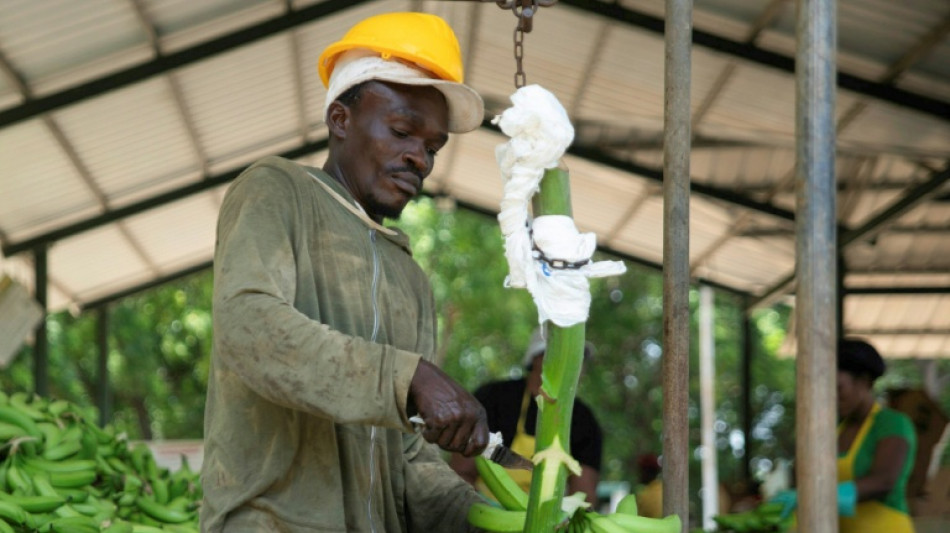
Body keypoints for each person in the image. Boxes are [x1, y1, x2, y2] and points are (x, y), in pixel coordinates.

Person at [200, 11, 495, 532]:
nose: (420, 160)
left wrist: (491, 519)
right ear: (340, 119)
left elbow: (408, 459)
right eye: (403, 131)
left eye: (431, 148)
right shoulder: (276, 189)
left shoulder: (410, 279)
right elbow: (250, 327)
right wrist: (408, 377)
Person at [772, 338, 918, 533]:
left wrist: (815, 497)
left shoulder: (892, 423)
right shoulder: (834, 430)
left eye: (838, 388)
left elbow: (884, 480)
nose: (832, 397)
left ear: (864, 381)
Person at [449, 329, 603, 506]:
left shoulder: (584, 421)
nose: (576, 364)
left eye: (579, 358)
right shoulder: (493, 398)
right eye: (567, 354)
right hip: (482, 511)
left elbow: (584, 496)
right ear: (537, 358)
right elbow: (461, 472)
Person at [634, 453, 663, 519]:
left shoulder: (644, 496)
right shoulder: (664, 489)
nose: (638, 475)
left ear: (646, 472)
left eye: (640, 471)